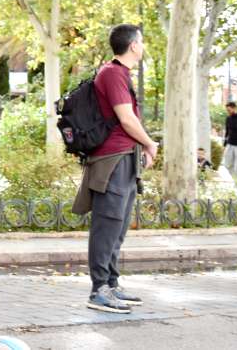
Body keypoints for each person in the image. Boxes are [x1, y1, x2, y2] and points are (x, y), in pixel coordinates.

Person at [72, 24, 156, 314]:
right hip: (111, 160)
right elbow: (127, 118)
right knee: (107, 225)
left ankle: (111, 281)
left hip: (124, 158)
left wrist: (141, 147)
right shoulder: (112, 73)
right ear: (133, 45)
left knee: (118, 226)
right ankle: (99, 290)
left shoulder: (121, 74)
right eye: (141, 42)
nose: (143, 46)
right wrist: (150, 143)